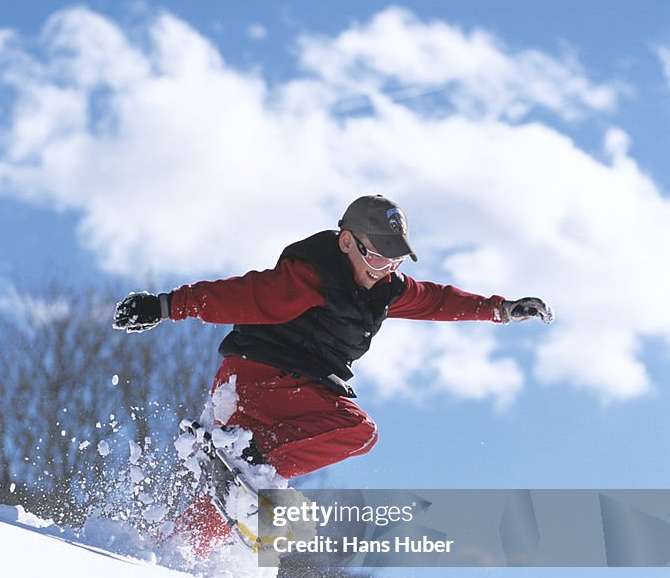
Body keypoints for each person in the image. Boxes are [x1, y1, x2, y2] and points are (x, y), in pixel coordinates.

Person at [114, 195, 552, 552]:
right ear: (347, 243)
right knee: (355, 430)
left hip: (264, 387)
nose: (385, 271)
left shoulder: (384, 289)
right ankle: (242, 455)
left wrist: (500, 309)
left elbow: (437, 301)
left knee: (231, 500)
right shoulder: (310, 276)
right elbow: (242, 294)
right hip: (262, 376)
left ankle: (165, 552)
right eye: (378, 258)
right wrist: (166, 306)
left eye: (396, 261)